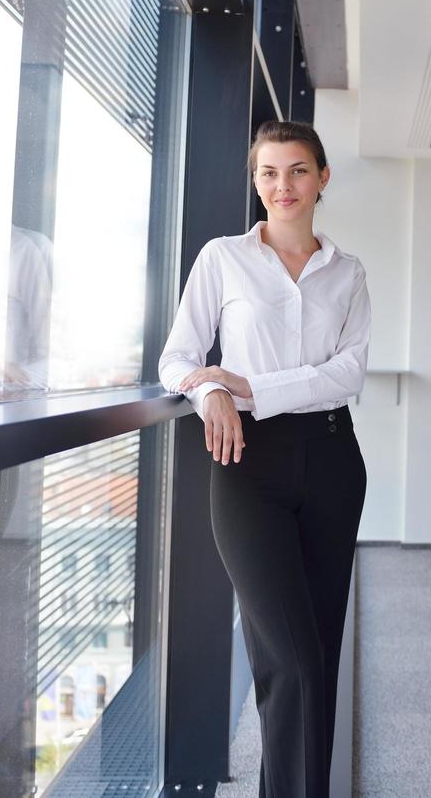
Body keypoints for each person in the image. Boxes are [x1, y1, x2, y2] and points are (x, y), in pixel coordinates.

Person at [159, 120, 370, 798]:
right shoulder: (222, 258)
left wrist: (251, 385)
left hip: (334, 459)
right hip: (245, 461)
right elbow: (177, 360)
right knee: (289, 658)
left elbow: (349, 374)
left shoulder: (348, 272)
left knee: (319, 654)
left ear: (322, 178)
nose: (283, 185)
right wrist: (214, 388)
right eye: (269, 173)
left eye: (298, 170)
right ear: (256, 182)